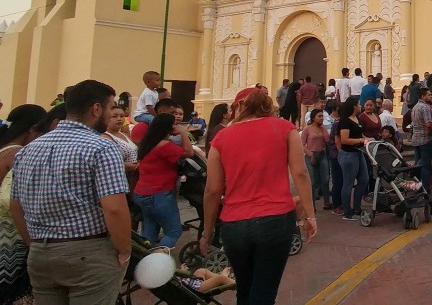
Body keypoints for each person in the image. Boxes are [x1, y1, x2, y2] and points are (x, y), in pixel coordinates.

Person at [10, 80, 131, 305]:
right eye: (110, 107)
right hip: (87, 252)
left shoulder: (29, 148)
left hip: (40, 252)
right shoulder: (101, 147)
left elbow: (16, 205)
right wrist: (124, 250)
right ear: (96, 109)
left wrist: (33, 243)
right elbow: (114, 207)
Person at [202, 90, 316, 305]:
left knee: (244, 288)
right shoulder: (285, 128)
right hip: (275, 218)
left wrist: (207, 233)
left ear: (240, 107)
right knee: (264, 290)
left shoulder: (221, 137)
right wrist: (310, 216)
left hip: (234, 222)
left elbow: (212, 190)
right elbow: (300, 173)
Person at [0, 104, 47, 303]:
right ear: (32, 128)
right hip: (12, 231)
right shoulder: (18, 155)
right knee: (9, 287)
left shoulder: (4, 149)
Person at [135, 111, 194, 250]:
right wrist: (183, 133)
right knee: (173, 232)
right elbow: (189, 152)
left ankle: (145, 260)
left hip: (142, 193)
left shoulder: (148, 144)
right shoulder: (164, 145)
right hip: (159, 194)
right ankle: (157, 260)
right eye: (174, 124)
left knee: (149, 234)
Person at [335, 96, 372, 220]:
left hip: (359, 152)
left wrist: (367, 138)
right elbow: (344, 139)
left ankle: (357, 207)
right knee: (349, 183)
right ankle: (347, 211)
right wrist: (362, 140)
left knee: (364, 179)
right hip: (349, 154)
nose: (360, 105)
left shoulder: (357, 119)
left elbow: (359, 133)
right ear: (354, 106)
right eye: (359, 104)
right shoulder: (345, 121)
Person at [301, 110, 331, 211]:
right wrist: (310, 154)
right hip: (311, 155)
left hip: (322, 154)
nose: (321, 118)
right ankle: (311, 205)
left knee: (325, 179)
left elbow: (327, 140)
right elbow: (302, 144)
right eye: (319, 116)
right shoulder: (307, 129)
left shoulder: (322, 129)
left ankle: (327, 202)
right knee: (312, 182)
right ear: (313, 118)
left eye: (322, 116)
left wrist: (323, 130)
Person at [409, 90, 432, 195]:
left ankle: (418, 185)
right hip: (425, 139)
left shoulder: (415, 107)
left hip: (416, 139)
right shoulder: (425, 107)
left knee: (418, 164)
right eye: (428, 95)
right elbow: (429, 124)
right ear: (423, 96)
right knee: (425, 165)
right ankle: (425, 188)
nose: (430, 96)